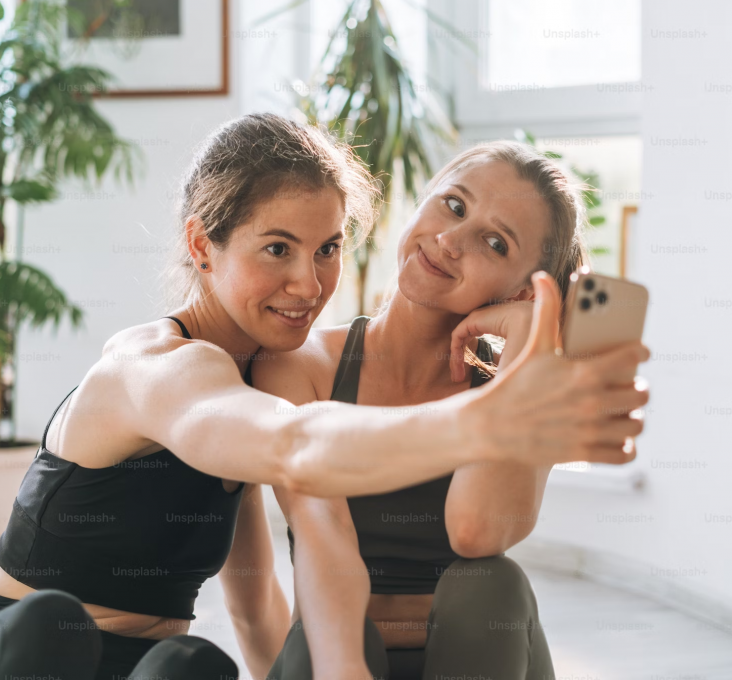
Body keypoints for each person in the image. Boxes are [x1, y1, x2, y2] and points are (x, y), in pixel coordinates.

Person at [0, 114, 648, 680]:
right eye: (276, 249)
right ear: (202, 245)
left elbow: (256, 607)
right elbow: (297, 446)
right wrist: (497, 414)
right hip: (8, 653)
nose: (308, 284)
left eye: (326, 250)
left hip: (131, 665)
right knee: (52, 625)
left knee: (191, 664)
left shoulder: (251, 383)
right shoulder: (158, 368)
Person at [257, 141, 641, 679]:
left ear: (525, 292)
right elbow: (327, 540)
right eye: (454, 205)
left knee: (490, 584)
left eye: (494, 242)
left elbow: (476, 532)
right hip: (340, 659)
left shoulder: (526, 392)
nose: (450, 240)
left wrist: (525, 355)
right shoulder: (302, 366)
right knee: (332, 638)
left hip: (478, 662)